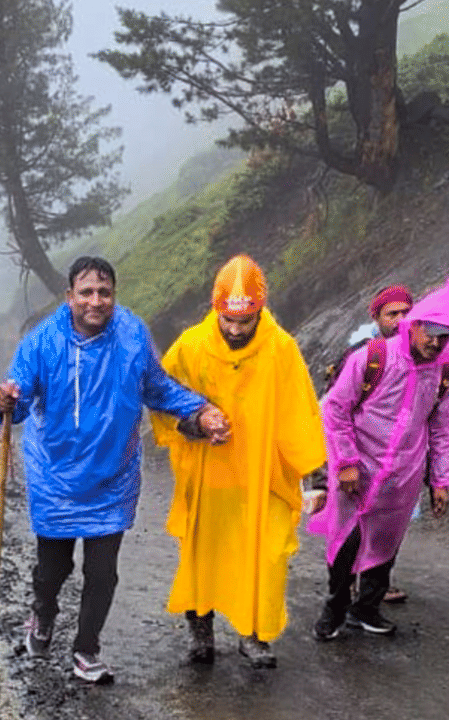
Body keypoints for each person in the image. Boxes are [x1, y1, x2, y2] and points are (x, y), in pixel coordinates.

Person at [0, 256, 229, 685]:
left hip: (112, 478)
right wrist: (4, 401)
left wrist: (200, 410)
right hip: (55, 478)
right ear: (70, 297)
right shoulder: (42, 341)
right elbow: (17, 399)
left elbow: (156, 387)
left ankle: (86, 649)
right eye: (86, 292)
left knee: (102, 572)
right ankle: (43, 615)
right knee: (53, 571)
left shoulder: (132, 333)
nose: (95, 301)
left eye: (104, 292)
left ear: (114, 296)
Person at [151, 254, 327, 669]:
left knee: (263, 557)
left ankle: (254, 636)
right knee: (202, 556)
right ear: (216, 308)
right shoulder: (191, 346)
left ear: (259, 309)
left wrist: (315, 478)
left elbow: (301, 414)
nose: (233, 329)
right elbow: (159, 396)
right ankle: (201, 635)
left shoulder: (281, 349)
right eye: (227, 320)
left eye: (244, 321)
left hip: (262, 478)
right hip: (208, 475)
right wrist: (194, 423)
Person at [308, 277, 449, 640]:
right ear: (416, 326)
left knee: (386, 541)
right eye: (431, 335)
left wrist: (440, 481)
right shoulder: (372, 358)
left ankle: (367, 608)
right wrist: (344, 463)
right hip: (357, 469)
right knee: (345, 540)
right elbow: (335, 410)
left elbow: (443, 429)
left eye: (445, 338)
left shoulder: (444, 372)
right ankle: (336, 608)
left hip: (402, 475)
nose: (436, 345)